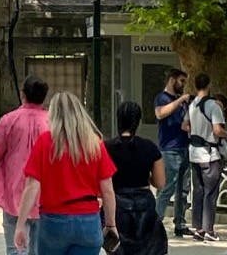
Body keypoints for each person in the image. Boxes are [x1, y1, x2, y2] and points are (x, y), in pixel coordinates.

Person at [14, 91, 117, 255]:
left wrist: (20, 224)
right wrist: (111, 224)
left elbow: (32, 186)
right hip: (88, 220)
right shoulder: (95, 144)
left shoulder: (45, 142)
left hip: (53, 221)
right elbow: (108, 191)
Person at [0, 74, 50, 255]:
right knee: (40, 250)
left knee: (15, 249)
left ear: (22, 94)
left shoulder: (9, 120)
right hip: (45, 195)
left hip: (14, 194)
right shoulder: (52, 122)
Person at [105, 102, 167, 255]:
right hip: (144, 203)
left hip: (117, 202)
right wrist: (148, 178)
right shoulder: (150, 147)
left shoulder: (106, 147)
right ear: (138, 121)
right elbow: (160, 182)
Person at [185, 73, 227, 242]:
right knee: (211, 192)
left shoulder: (192, 105)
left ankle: (198, 228)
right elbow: (217, 130)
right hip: (210, 154)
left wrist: (196, 131)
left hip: (194, 154)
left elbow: (184, 126)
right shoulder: (213, 106)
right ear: (209, 85)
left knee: (198, 191)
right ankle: (209, 229)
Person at [153, 68, 191, 236]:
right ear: (172, 79)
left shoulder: (182, 102)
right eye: (181, 81)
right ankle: (154, 222)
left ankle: (180, 223)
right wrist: (180, 100)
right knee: (167, 188)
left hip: (185, 146)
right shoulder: (162, 98)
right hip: (170, 150)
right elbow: (160, 114)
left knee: (183, 189)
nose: (183, 85)